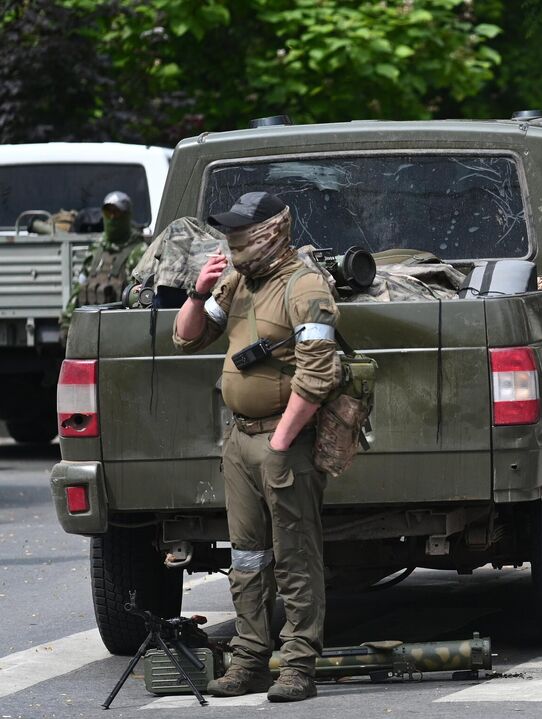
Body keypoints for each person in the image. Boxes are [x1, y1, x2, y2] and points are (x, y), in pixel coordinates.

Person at [173, 191, 340, 702]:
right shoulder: (237, 281)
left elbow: (318, 374)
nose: (234, 239)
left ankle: (297, 666)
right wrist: (199, 294)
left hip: (281, 441)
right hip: (240, 439)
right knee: (246, 557)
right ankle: (248, 660)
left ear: (272, 229)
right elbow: (186, 339)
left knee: (295, 555)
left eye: (244, 228)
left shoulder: (303, 285)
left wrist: (282, 442)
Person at [60, 191, 147, 332]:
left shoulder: (138, 252)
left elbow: (141, 298)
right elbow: (79, 287)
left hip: (121, 329)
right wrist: (66, 321)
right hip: (91, 329)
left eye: (117, 213)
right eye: (108, 213)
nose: (112, 218)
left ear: (126, 216)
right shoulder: (97, 250)